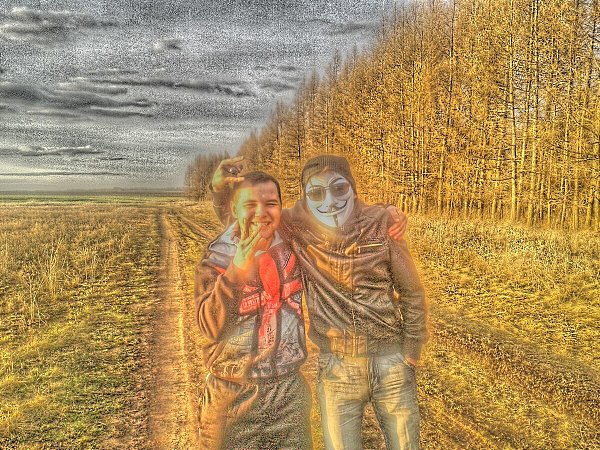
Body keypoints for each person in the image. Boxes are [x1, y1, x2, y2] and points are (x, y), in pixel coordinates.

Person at [212, 154, 428, 450]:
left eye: (339, 188)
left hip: (391, 362)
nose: (330, 201)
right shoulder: (296, 225)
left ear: (352, 188)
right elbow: (247, 222)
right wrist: (219, 192)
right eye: (316, 193)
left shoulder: (381, 224)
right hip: (337, 367)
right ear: (305, 196)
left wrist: (411, 351)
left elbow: (412, 291)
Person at [194, 171, 312, 450]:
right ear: (234, 210)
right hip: (231, 396)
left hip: (288, 394)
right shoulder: (217, 258)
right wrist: (237, 270)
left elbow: (333, 214)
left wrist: (386, 216)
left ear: (281, 207)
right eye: (250, 205)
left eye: (271, 203)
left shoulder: (295, 243)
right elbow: (210, 326)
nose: (261, 213)